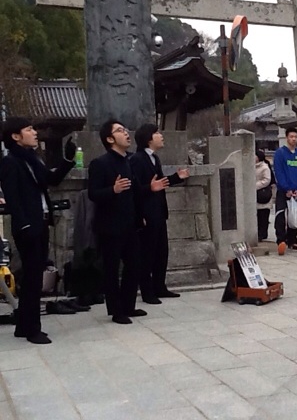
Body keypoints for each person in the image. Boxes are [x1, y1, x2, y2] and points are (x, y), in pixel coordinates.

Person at [0, 117, 76, 344]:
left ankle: (23, 326)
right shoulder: (10, 162)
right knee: (33, 279)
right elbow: (13, 198)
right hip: (28, 226)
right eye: (29, 129)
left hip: (41, 222)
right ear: (16, 136)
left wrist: (67, 159)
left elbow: (52, 180)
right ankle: (33, 329)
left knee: (34, 277)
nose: (34, 133)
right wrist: (24, 225)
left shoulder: (32, 159)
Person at [88, 120, 149, 324]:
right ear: (109, 138)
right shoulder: (100, 163)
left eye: (125, 129)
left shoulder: (129, 161)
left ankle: (128, 305)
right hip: (109, 225)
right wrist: (113, 190)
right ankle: (116, 311)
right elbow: (93, 194)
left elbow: (136, 192)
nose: (126, 133)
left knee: (134, 265)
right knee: (112, 269)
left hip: (130, 223)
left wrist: (140, 216)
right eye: (120, 131)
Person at [130, 124, 189, 303]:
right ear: (148, 138)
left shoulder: (154, 158)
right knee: (147, 254)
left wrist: (176, 178)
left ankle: (160, 287)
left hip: (159, 212)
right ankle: (147, 292)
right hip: (147, 213)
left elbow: (159, 183)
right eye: (156, 133)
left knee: (161, 252)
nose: (161, 135)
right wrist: (139, 215)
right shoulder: (137, 159)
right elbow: (134, 189)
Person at [273, 127, 297, 255]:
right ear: (287, 138)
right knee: (281, 216)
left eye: (295, 137)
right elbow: (279, 172)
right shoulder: (280, 154)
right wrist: (286, 188)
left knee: (295, 216)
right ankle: (281, 241)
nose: (293, 139)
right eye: (291, 137)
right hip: (284, 191)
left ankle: (292, 240)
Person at [255, 150, 273, 242]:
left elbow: (267, 180)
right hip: (255, 194)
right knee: (258, 216)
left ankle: (262, 234)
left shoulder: (264, 167)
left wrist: (255, 186)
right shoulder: (251, 166)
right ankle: (259, 233)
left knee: (264, 216)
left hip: (263, 194)